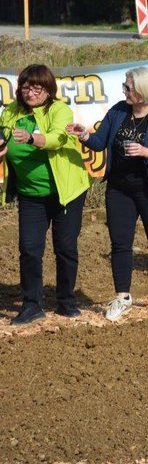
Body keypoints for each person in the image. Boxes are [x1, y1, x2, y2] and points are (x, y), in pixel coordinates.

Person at [66, 67, 148, 321]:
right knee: (120, 243)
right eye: (125, 87)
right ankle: (122, 296)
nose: (125, 92)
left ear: (143, 92)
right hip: (119, 187)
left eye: (128, 88)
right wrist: (84, 134)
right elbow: (99, 142)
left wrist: (146, 153)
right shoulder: (119, 111)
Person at [0, 64, 91, 325]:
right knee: (29, 249)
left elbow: (56, 139)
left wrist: (31, 138)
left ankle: (66, 301)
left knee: (65, 248)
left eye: (36, 87)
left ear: (48, 89)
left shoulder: (60, 110)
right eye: (25, 87)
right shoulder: (11, 111)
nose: (30, 92)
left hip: (66, 192)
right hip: (30, 194)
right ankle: (32, 305)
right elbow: (2, 135)